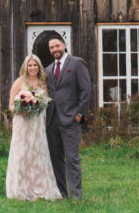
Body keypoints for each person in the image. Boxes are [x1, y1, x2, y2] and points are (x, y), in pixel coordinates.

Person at [5, 54, 61, 200]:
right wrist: (21, 108)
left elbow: (47, 101)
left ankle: (40, 187)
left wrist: (37, 104)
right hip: (22, 123)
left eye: (35, 65)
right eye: (30, 65)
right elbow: (10, 105)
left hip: (38, 124)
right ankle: (19, 189)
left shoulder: (43, 82)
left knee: (38, 151)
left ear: (39, 67)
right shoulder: (19, 82)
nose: (32, 68)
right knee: (22, 153)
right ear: (25, 67)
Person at [45, 33, 91, 200]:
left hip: (71, 119)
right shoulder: (48, 70)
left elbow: (86, 89)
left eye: (57, 46)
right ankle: (62, 193)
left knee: (72, 158)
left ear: (64, 45)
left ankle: (76, 195)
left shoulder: (76, 63)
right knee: (56, 159)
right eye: (51, 47)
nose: (55, 49)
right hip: (52, 121)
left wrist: (80, 113)